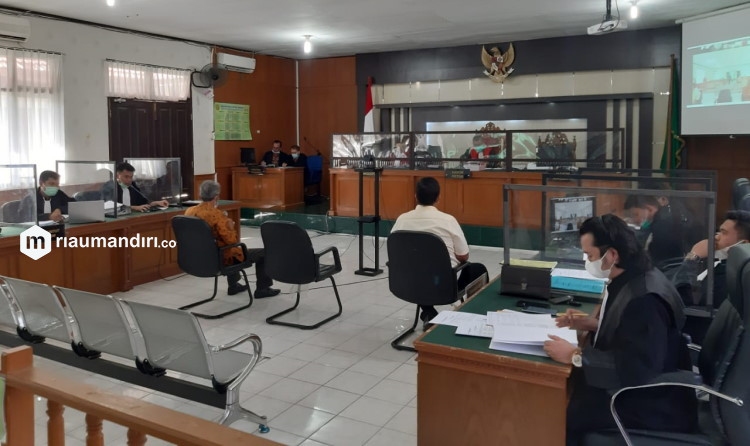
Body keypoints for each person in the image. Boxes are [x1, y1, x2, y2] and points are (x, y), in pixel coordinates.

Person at [543, 214, 696, 444]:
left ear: (612, 255)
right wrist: (591, 324)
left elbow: (636, 367)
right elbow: (632, 332)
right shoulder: (638, 275)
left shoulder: (644, 301)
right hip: (647, 384)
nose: (587, 261)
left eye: (590, 255)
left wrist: (575, 355)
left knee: (561, 410)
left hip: (648, 401)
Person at [391, 177, 488, 329]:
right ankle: (474, 322)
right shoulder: (448, 220)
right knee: (479, 269)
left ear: (415, 196)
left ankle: (428, 312)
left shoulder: (401, 220)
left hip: (408, 285)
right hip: (443, 288)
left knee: (419, 269)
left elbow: (396, 254)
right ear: (438, 198)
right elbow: (464, 256)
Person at [185, 180, 280, 299]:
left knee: (226, 248)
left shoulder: (189, 211)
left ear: (200, 196)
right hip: (219, 259)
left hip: (198, 257)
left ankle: (234, 285)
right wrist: (230, 227)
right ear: (216, 197)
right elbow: (231, 241)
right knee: (261, 253)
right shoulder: (217, 215)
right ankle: (263, 289)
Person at [673, 210, 750, 329]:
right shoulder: (727, 266)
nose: (716, 237)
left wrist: (693, 257)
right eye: (718, 231)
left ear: (743, 244)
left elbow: (680, 301)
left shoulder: (730, 276)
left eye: (723, 233)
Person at [624, 193, 695, 267]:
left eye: (636, 214)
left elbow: (656, 258)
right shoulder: (660, 219)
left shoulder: (661, 226)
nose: (635, 219)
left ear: (649, 209)